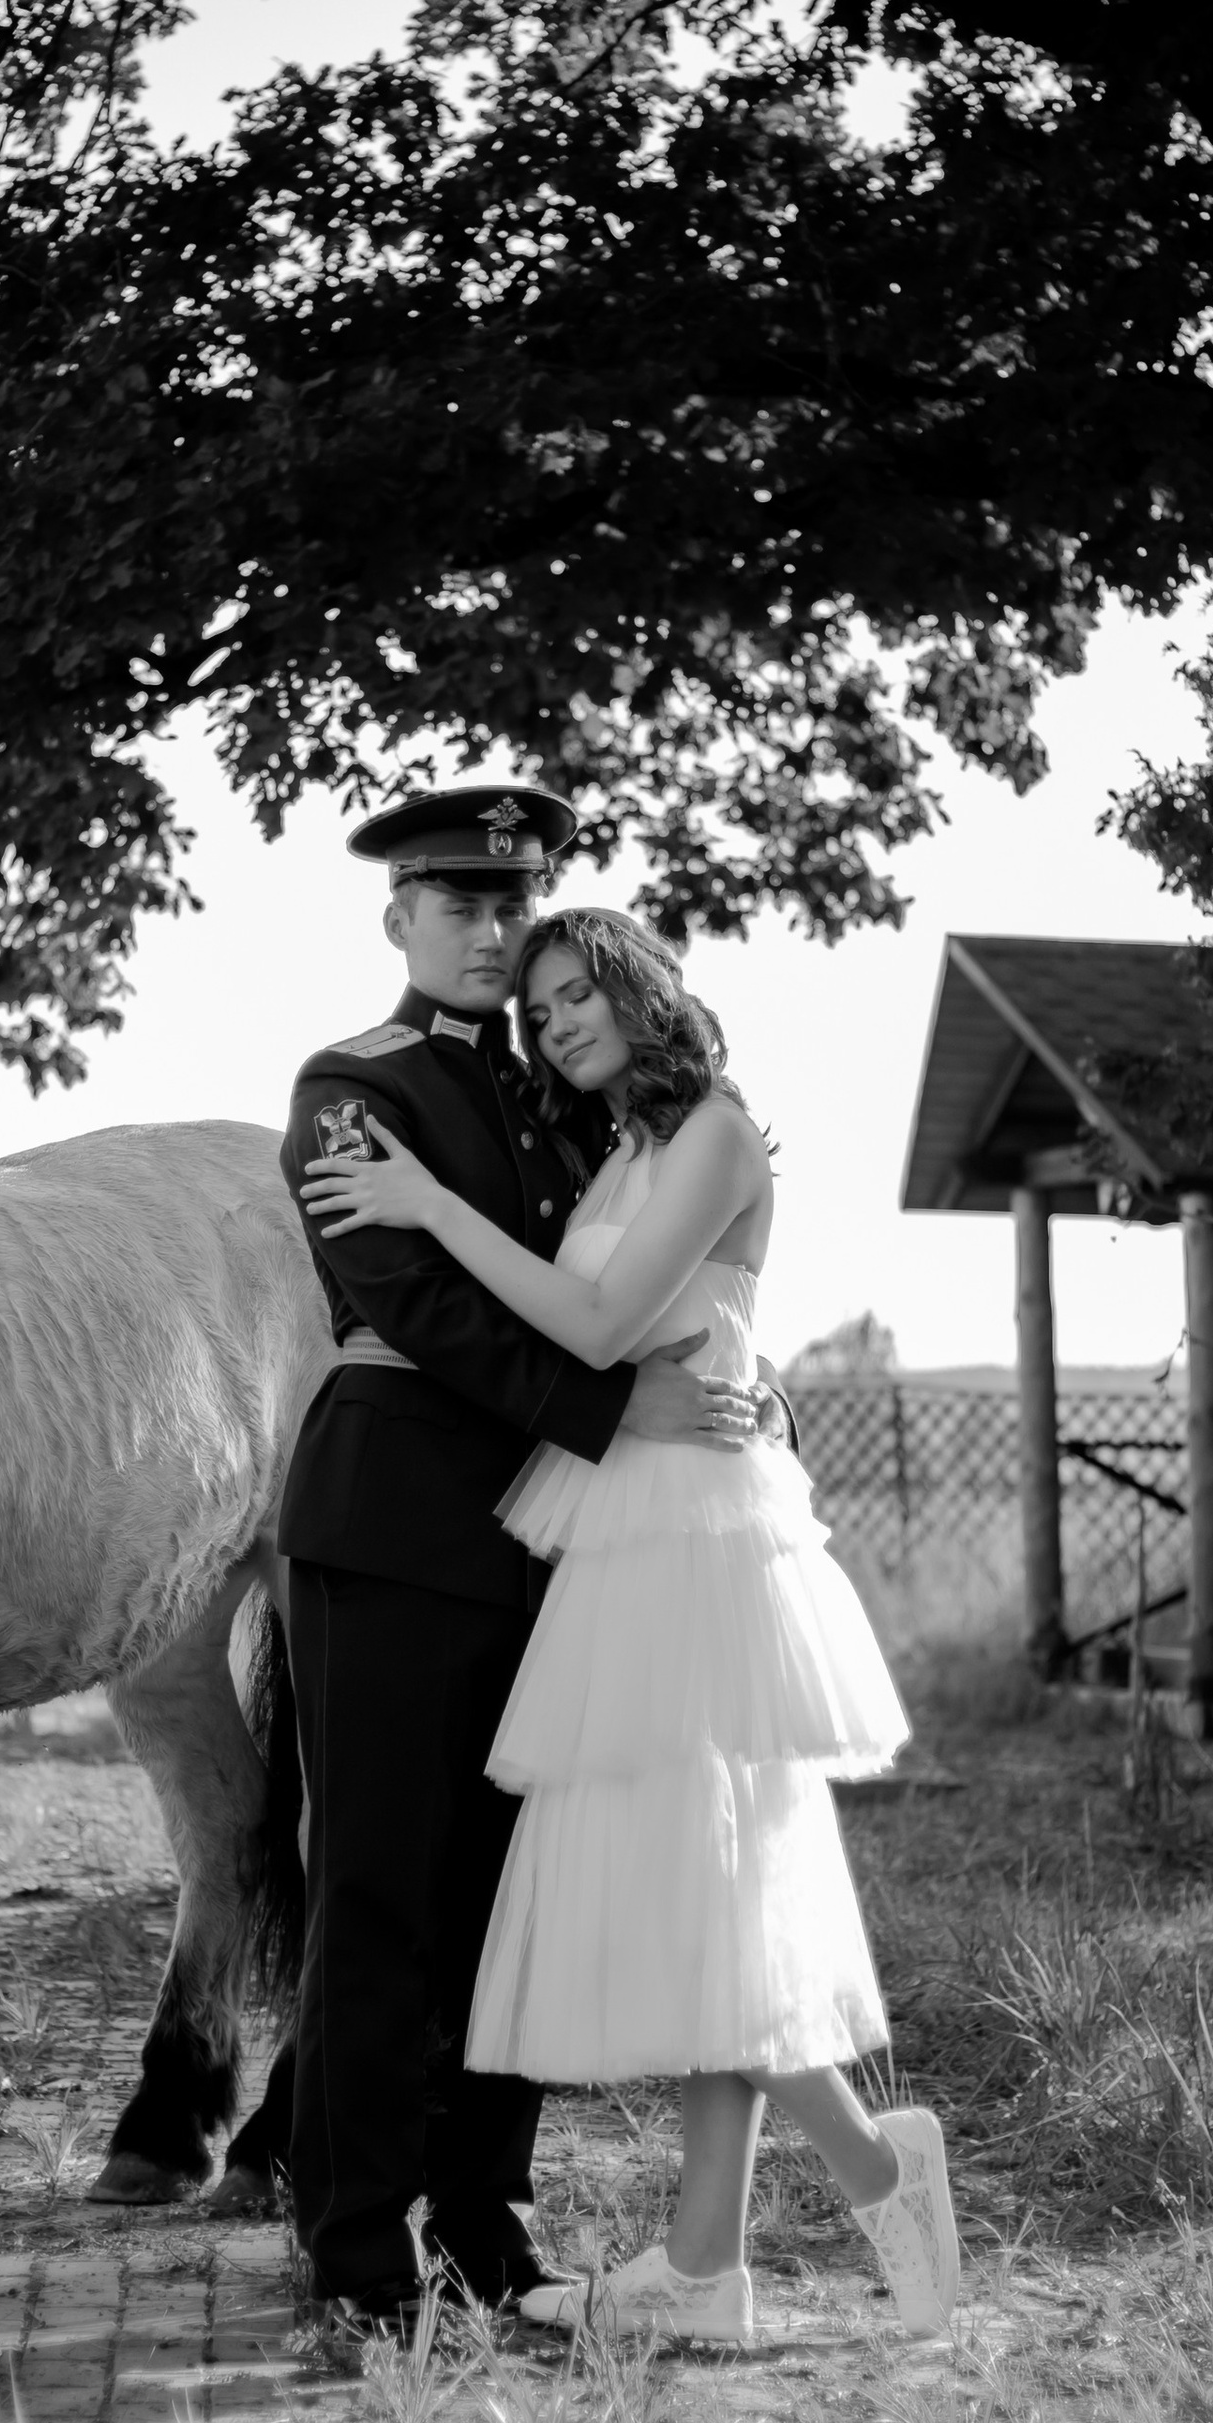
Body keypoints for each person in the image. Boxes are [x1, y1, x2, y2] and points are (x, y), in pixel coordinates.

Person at [301, 904, 960, 2347]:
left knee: (697, 1875)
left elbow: (600, 1332)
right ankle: (707, 2262)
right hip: (621, 1516)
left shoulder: (718, 1127)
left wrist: (427, 1204)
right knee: (698, 1884)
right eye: (538, 1009)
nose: (556, 1021)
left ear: (641, 983)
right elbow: (639, 1325)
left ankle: (867, 2162)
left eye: (577, 989)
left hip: (691, 1533)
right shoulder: (623, 1147)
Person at [276, 790, 765, 2332]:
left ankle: (488, 2226)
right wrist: (626, 1406)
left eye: (516, 903)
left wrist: (738, 1378)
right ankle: (358, 2248)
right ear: (397, 919)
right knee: (376, 1899)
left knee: (509, 1902)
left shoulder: (579, 1098)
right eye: (458, 903)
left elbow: (655, 1273)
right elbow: (418, 1304)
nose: (491, 932)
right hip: (400, 1521)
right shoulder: (350, 1087)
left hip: (559, 1540)